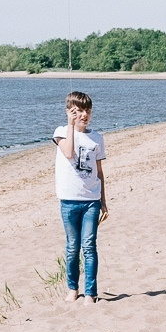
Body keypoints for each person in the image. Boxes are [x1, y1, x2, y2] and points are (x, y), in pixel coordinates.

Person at [53, 90, 108, 304]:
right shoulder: (61, 131)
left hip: (91, 201)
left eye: (87, 111)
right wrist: (71, 124)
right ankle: (72, 289)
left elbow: (100, 172)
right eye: (78, 111)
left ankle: (91, 293)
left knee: (89, 246)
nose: (84, 115)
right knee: (72, 247)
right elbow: (68, 152)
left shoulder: (97, 138)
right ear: (69, 111)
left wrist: (103, 201)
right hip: (68, 200)